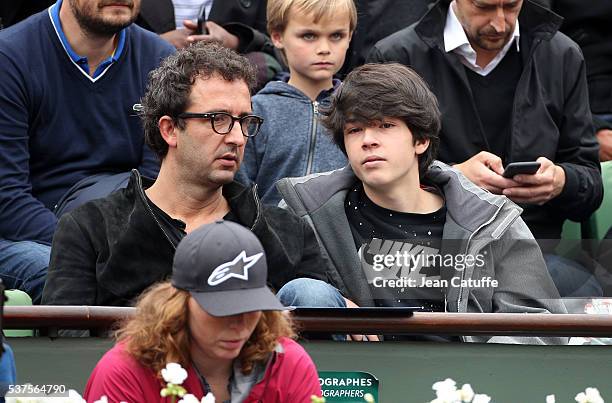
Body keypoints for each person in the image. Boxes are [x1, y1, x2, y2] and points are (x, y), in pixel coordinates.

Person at [276, 63, 567, 344]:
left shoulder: (491, 220)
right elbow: (257, 300)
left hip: (462, 384)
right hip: (355, 384)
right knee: (309, 294)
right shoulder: (306, 210)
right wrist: (334, 304)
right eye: (354, 130)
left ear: (421, 140)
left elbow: (539, 324)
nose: (368, 140)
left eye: (385, 125)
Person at [42, 42, 329, 308]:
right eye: (219, 119)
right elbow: (68, 346)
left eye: (245, 121)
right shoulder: (91, 228)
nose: (238, 138)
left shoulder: (288, 232)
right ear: (169, 129)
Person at [367, 0, 604, 297]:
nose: (500, 23)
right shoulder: (396, 57)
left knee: (587, 299)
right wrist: (451, 177)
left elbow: (590, 184)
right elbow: (371, 179)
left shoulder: (561, 54)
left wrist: (560, 182)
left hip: (530, 253)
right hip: (428, 251)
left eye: (512, 6)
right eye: (485, 7)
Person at [0, 0, 175, 304]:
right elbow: (7, 198)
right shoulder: (10, 57)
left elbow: (156, 182)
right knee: (65, 272)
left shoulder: (161, 59)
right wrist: (85, 245)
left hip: (128, 227)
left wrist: (124, 248)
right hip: (28, 234)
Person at [84, 220, 322, 403]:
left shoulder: (289, 363)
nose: (239, 324)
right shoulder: (125, 370)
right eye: (223, 309)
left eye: (251, 307)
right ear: (181, 302)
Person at [237, 0, 356, 205]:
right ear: (277, 36)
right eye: (308, 36)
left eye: (337, 35)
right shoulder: (256, 111)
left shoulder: (359, 110)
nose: (324, 49)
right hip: (269, 233)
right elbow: (239, 191)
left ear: (350, 36)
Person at [136, 0, 283, 90]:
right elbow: (116, 36)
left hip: (228, 82)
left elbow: (277, 44)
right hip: (146, 79)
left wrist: (233, 40)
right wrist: (157, 43)